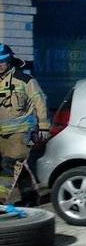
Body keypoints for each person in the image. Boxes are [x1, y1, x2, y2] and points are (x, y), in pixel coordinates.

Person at [0, 44, 49, 205]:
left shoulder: (25, 81)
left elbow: (40, 102)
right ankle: (30, 196)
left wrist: (43, 126)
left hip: (21, 132)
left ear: (10, 61)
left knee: (10, 164)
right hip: (2, 132)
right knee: (17, 168)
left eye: (2, 61)